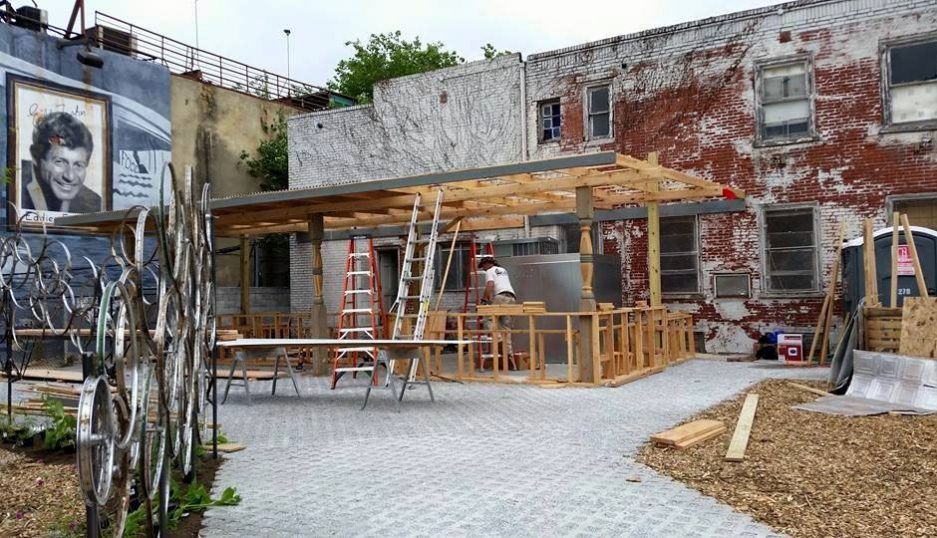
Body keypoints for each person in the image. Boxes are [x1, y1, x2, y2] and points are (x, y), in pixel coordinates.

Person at [22, 111, 102, 214]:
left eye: (78, 165)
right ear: (35, 156)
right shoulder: (13, 183)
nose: (70, 176)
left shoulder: (94, 204)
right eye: (59, 162)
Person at [479, 256, 516, 366]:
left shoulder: (489, 271)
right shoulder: (503, 270)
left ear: (486, 264)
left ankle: (499, 340)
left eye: (483, 267)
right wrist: (491, 299)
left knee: (488, 319)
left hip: (500, 297)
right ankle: (508, 353)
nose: (483, 269)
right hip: (511, 298)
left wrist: (484, 299)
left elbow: (490, 285)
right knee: (505, 327)